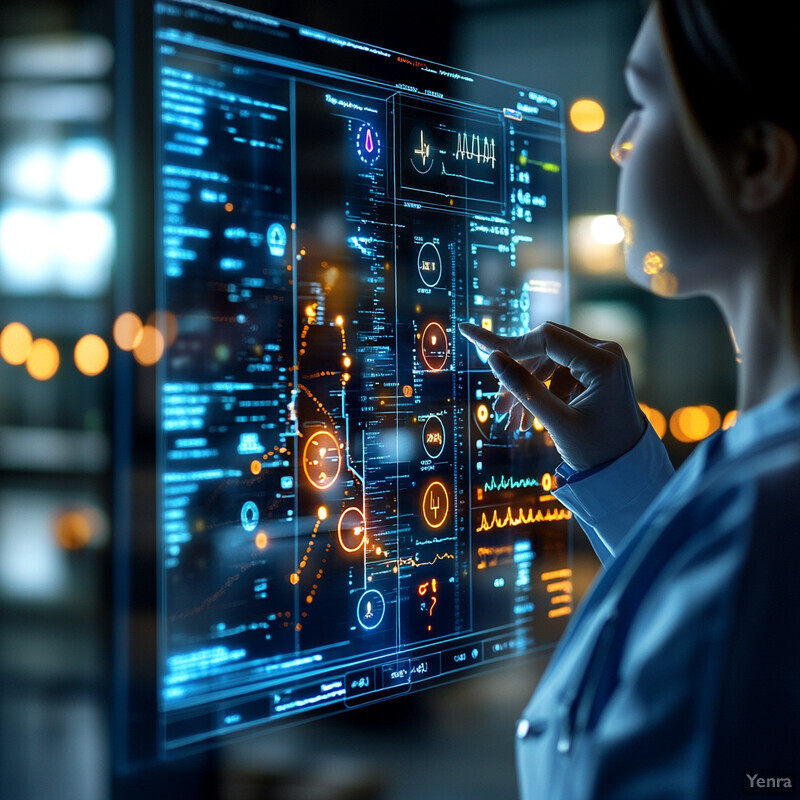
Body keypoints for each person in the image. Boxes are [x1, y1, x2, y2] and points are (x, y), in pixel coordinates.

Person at [460, 1, 800, 797]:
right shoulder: (761, 485)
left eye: (644, 103)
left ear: (756, 163)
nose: (619, 140)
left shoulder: (769, 521)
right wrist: (618, 464)